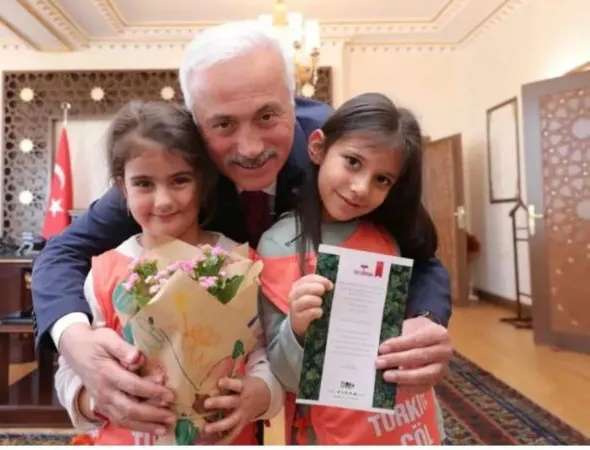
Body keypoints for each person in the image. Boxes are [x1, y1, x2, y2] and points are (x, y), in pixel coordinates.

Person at [31, 20, 453, 435]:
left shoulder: (344, 153)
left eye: (267, 115)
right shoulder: (171, 163)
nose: (251, 149)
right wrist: (75, 341)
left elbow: (419, 252)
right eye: (223, 124)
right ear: (196, 124)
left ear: (295, 102)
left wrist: (428, 318)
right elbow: (62, 252)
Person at [54, 100, 283, 445]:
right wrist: (95, 400)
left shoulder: (239, 263)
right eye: (144, 183)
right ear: (122, 187)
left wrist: (261, 392)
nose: (163, 201)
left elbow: (265, 349)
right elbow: (72, 366)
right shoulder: (105, 271)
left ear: (202, 182)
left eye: (179, 180)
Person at [257, 92, 445, 445]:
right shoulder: (279, 245)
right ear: (317, 148)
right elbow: (284, 374)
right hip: (330, 432)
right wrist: (297, 327)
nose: (361, 188)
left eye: (382, 179)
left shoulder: (387, 235)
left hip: (410, 424)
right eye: (353, 162)